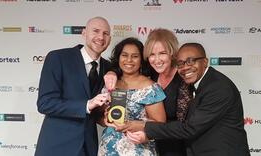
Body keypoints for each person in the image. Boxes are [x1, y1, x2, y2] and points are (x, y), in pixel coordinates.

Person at [116, 43, 251, 156]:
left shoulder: (217, 87)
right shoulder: (198, 83)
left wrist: (144, 126)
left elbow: (189, 128)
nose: (185, 67)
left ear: (205, 62)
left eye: (191, 61)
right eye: (180, 63)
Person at [104, 28, 191, 156]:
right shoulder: (153, 72)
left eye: (162, 53)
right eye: (152, 54)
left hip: (174, 144)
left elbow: (185, 125)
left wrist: (144, 132)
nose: (157, 59)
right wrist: (111, 72)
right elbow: (126, 67)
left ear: (172, 53)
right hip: (121, 145)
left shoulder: (183, 79)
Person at [35, 16, 112, 156]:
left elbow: (96, 111)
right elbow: (45, 103)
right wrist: (87, 105)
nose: (101, 37)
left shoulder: (109, 68)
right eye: (96, 31)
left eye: (106, 33)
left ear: (109, 39)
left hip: (89, 147)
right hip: (57, 147)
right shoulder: (58, 58)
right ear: (84, 33)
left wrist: (104, 117)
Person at [98, 37, 166, 156]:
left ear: (141, 60)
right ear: (118, 57)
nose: (129, 60)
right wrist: (104, 119)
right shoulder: (110, 83)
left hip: (138, 148)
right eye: (124, 55)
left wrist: (134, 125)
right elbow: (100, 119)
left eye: (135, 56)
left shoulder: (150, 88)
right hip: (108, 148)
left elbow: (160, 125)